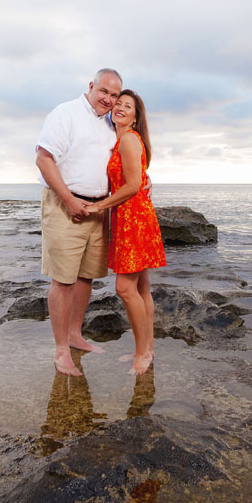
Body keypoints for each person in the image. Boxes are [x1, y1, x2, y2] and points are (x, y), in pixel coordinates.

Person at [36, 68, 122, 377]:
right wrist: (70, 201)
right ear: (91, 86)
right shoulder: (66, 114)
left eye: (114, 96)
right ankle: (61, 351)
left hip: (99, 209)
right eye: (104, 92)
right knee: (63, 278)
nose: (109, 100)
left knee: (86, 276)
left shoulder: (111, 124)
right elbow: (44, 159)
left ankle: (75, 335)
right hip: (64, 204)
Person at [85, 90, 166, 375]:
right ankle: (146, 349)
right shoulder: (119, 139)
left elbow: (132, 185)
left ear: (135, 116)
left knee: (124, 288)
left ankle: (143, 353)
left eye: (127, 106)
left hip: (134, 217)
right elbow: (137, 178)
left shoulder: (130, 139)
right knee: (142, 288)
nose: (119, 108)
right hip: (130, 216)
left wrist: (100, 207)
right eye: (118, 103)